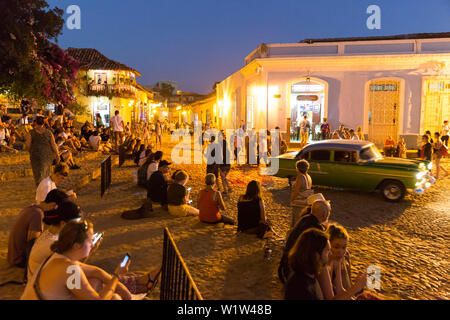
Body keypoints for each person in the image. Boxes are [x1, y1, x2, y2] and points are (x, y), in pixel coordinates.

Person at [21, 221, 132, 300]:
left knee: (95, 280)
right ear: (77, 246)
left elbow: (96, 272)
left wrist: (123, 289)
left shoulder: (58, 256)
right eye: (90, 241)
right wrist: (117, 276)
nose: (92, 244)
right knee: (114, 297)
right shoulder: (70, 269)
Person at [7, 189, 67, 268]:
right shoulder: (38, 214)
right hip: (19, 260)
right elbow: (32, 243)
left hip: (12, 256)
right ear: (54, 205)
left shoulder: (33, 208)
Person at [278, 198, 331, 284]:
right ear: (325, 214)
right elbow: (317, 255)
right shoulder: (316, 228)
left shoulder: (304, 219)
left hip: (285, 265)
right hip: (294, 271)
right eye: (329, 212)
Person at [27, 201, 82, 280]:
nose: (77, 229)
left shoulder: (50, 233)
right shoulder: (52, 245)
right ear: (63, 223)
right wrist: (87, 252)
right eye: (75, 225)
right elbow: (73, 275)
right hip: (40, 288)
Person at [318, 223, 368, 300]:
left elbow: (340, 290)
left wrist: (355, 293)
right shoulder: (323, 266)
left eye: (344, 247)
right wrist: (356, 287)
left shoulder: (336, 262)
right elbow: (331, 299)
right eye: (336, 247)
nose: (341, 252)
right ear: (328, 245)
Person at [284, 228, 331, 300]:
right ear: (316, 255)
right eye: (327, 251)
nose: (330, 254)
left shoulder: (309, 277)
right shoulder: (301, 287)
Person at [25, 116, 60, 186]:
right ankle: (45, 187)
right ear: (44, 123)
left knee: (37, 173)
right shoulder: (49, 133)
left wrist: (31, 152)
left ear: (35, 122)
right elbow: (53, 145)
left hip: (35, 155)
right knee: (46, 172)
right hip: (47, 155)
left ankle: (40, 187)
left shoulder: (31, 132)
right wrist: (57, 155)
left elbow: (28, 145)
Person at [290, 160, 314, 227]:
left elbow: (296, 191)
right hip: (306, 202)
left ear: (297, 168)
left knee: (296, 222)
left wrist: (292, 199)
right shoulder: (308, 177)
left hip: (299, 203)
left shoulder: (300, 177)